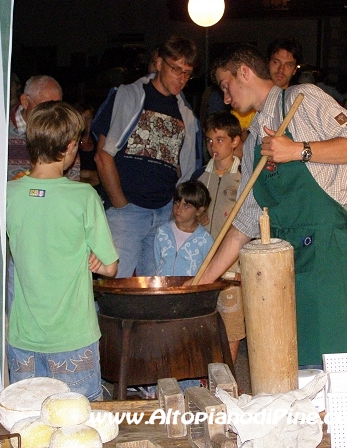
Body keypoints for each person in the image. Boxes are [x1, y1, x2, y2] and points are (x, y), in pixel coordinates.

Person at [197, 44, 347, 367]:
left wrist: (297, 150)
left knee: (322, 357)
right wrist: (203, 280)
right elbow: (246, 221)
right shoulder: (251, 142)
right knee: (284, 357)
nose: (226, 98)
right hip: (280, 257)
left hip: (323, 247)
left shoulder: (301, 98)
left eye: (227, 86)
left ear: (245, 73)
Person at [6, 101, 119, 400]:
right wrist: (97, 262)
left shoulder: (8, 194)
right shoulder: (83, 197)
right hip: (72, 338)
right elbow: (110, 266)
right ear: (70, 147)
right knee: (76, 421)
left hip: (23, 338)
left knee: (29, 421)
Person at [94, 36, 200, 278]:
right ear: (160, 64)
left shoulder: (186, 114)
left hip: (163, 213)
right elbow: (102, 154)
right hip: (127, 212)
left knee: (153, 294)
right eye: (176, 69)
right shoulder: (127, 96)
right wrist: (120, 203)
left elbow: (185, 169)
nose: (181, 78)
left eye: (187, 73)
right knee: (114, 288)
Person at [192, 111, 246, 363]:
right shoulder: (200, 177)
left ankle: (229, 373)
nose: (214, 146)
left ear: (236, 141)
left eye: (221, 140)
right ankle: (207, 370)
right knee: (204, 318)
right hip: (203, 259)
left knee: (231, 322)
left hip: (232, 264)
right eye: (209, 140)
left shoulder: (245, 177)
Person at [8, 75, 77, 181]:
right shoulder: (0, 132)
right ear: (25, 101)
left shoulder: (65, 131)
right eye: (45, 106)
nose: (53, 113)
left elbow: (73, 180)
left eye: (58, 106)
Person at [154, 180, 213, 276]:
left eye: (186, 206)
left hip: (190, 289)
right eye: (177, 203)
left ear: (199, 210)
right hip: (165, 288)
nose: (179, 209)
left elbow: (208, 271)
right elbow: (158, 263)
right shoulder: (162, 232)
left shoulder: (205, 239)